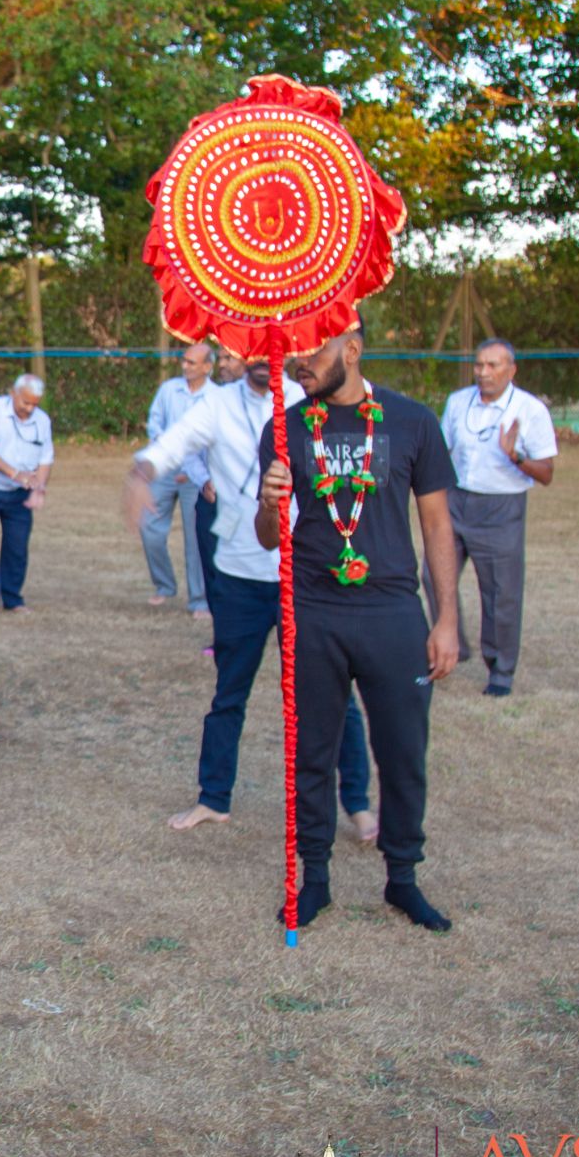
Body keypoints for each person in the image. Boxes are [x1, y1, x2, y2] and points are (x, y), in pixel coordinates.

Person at [255, 320, 460, 932]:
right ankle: (312, 879)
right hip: (312, 611)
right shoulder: (285, 426)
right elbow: (269, 537)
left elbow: (437, 526)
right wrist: (270, 504)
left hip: (393, 609)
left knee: (402, 750)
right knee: (311, 748)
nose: (298, 365)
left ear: (351, 347)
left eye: (311, 352)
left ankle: (403, 879)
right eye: (291, 354)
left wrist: (446, 617)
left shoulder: (412, 420)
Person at [125, 351, 377, 841]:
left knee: (332, 694)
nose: (264, 357)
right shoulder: (217, 406)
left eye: (274, 346)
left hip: (304, 574)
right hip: (239, 576)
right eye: (253, 348)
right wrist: (141, 473)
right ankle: (213, 798)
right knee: (228, 693)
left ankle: (359, 804)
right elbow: (173, 444)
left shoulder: (310, 401)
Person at [437, 339, 558, 696]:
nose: (484, 373)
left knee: (500, 594)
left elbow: (547, 473)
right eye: (479, 365)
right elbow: (443, 449)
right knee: (433, 574)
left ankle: (501, 670)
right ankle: (452, 642)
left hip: (501, 508)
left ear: (511, 370)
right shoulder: (458, 402)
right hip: (456, 501)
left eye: (493, 366)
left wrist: (515, 455)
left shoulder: (530, 410)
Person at [0, 373, 54, 618]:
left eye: (34, 404)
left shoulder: (42, 421)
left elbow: (46, 458)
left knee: (17, 546)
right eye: (25, 402)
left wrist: (39, 487)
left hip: (19, 494)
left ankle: (13, 598)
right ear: (13, 394)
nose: (29, 408)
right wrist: (16, 474)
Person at [141, 340, 217, 611]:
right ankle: (164, 585)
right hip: (165, 471)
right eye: (184, 360)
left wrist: (195, 472)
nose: (185, 366)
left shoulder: (216, 397)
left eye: (192, 362)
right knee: (149, 527)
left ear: (208, 367)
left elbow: (212, 442)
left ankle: (199, 600)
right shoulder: (168, 389)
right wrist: (168, 454)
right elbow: (155, 423)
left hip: (197, 478)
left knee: (196, 539)